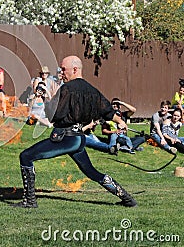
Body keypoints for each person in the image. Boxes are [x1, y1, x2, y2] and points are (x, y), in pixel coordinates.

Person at [12, 56, 137, 208]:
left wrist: (44, 97)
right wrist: (121, 122)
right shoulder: (92, 90)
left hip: (66, 139)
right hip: (79, 139)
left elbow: (54, 115)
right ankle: (127, 198)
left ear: (75, 69)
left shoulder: (67, 89)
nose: (61, 73)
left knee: (25, 156)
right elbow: (108, 111)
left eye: (64, 69)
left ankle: (30, 201)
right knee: (92, 172)